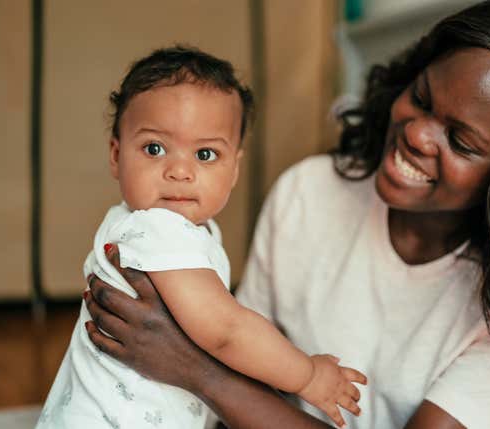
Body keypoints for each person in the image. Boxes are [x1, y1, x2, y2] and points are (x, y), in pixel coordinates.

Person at [82, 1, 490, 428]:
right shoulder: (309, 192)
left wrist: (198, 373)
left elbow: (215, 366)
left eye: (461, 141)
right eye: (420, 99)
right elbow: (234, 343)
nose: (418, 134)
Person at [37, 46, 366, 429]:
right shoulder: (155, 229)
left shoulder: (189, 230)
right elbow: (226, 331)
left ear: (235, 168)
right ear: (116, 154)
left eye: (206, 155)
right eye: (154, 148)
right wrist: (307, 375)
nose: (180, 171)